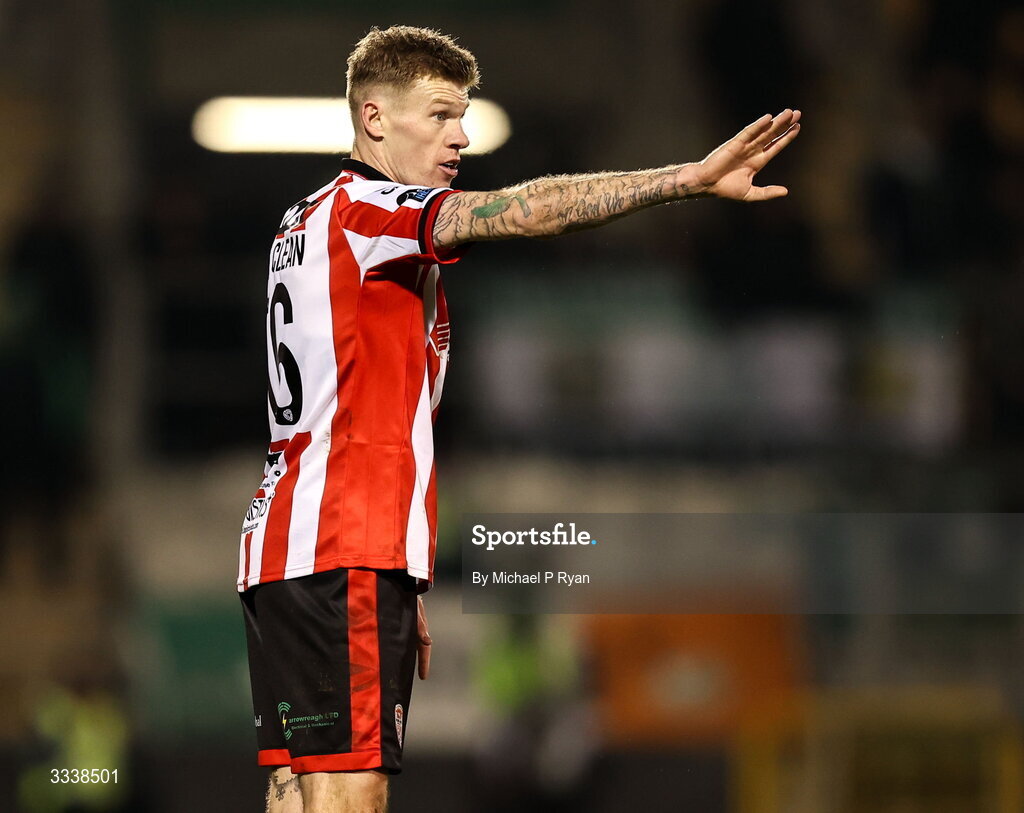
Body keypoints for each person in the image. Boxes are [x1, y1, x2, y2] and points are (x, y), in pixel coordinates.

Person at [238, 24, 801, 813]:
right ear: (373, 118)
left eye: (462, 115)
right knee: (350, 792)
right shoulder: (374, 214)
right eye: (438, 115)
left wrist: (403, 568)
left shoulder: (300, 221)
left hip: (285, 548)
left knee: (296, 787)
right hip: (343, 542)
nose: (460, 136)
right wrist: (683, 179)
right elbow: (527, 210)